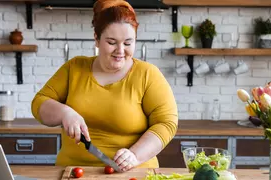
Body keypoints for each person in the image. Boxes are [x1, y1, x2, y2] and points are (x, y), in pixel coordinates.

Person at [31, 0, 178, 172]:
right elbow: (39, 103)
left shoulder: (147, 74)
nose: (120, 50)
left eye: (128, 43)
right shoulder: (74, 68)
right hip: (72, 172)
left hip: (133, 172)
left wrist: (135, 155)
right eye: (112, 42)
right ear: (96, 39)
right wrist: (64, 112)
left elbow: (166, 123)